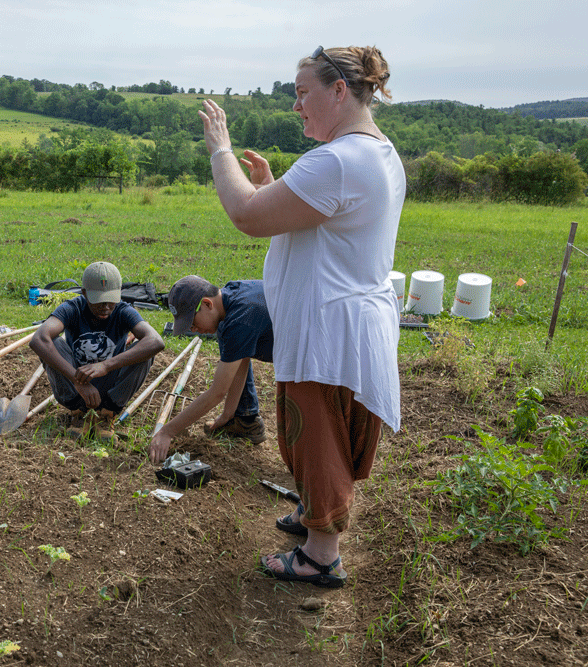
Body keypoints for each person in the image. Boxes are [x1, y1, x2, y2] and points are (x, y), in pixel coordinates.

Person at [198, 46, 404, 588]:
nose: (296, 106)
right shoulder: (375, 153)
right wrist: (274, 189)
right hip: (345, 321)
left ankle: (320, 554)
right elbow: (315, 223)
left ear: (339, 90)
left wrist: (220, 151)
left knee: (316, 437)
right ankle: (315, 515)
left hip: (327, 327)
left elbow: (246, 215)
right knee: (320, 434)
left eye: (302, 92)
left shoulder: (336, 160)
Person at [30, 261, 165, 442]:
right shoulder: (73, 308)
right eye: (99, 301)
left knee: (145, 352)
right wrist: (77, 381)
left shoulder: (123, 311)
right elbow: (38, 339)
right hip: (77, 385)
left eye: (111, 300)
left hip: (111, 386)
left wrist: (106, 365)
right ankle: (79, 413)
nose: (106, 307)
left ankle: (106, 415)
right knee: (51, 343)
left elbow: (156, 341)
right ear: (85, 293)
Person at [148, 275, 273, 464]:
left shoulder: (241, 319)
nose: (194, 329)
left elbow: (217, 392)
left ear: (207, 304)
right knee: (225, 333)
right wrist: (227, 416)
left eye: (192, 322)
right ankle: (244, 420)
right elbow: (241, 362)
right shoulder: (232, 296)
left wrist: (167, 431)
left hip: (319, 350)